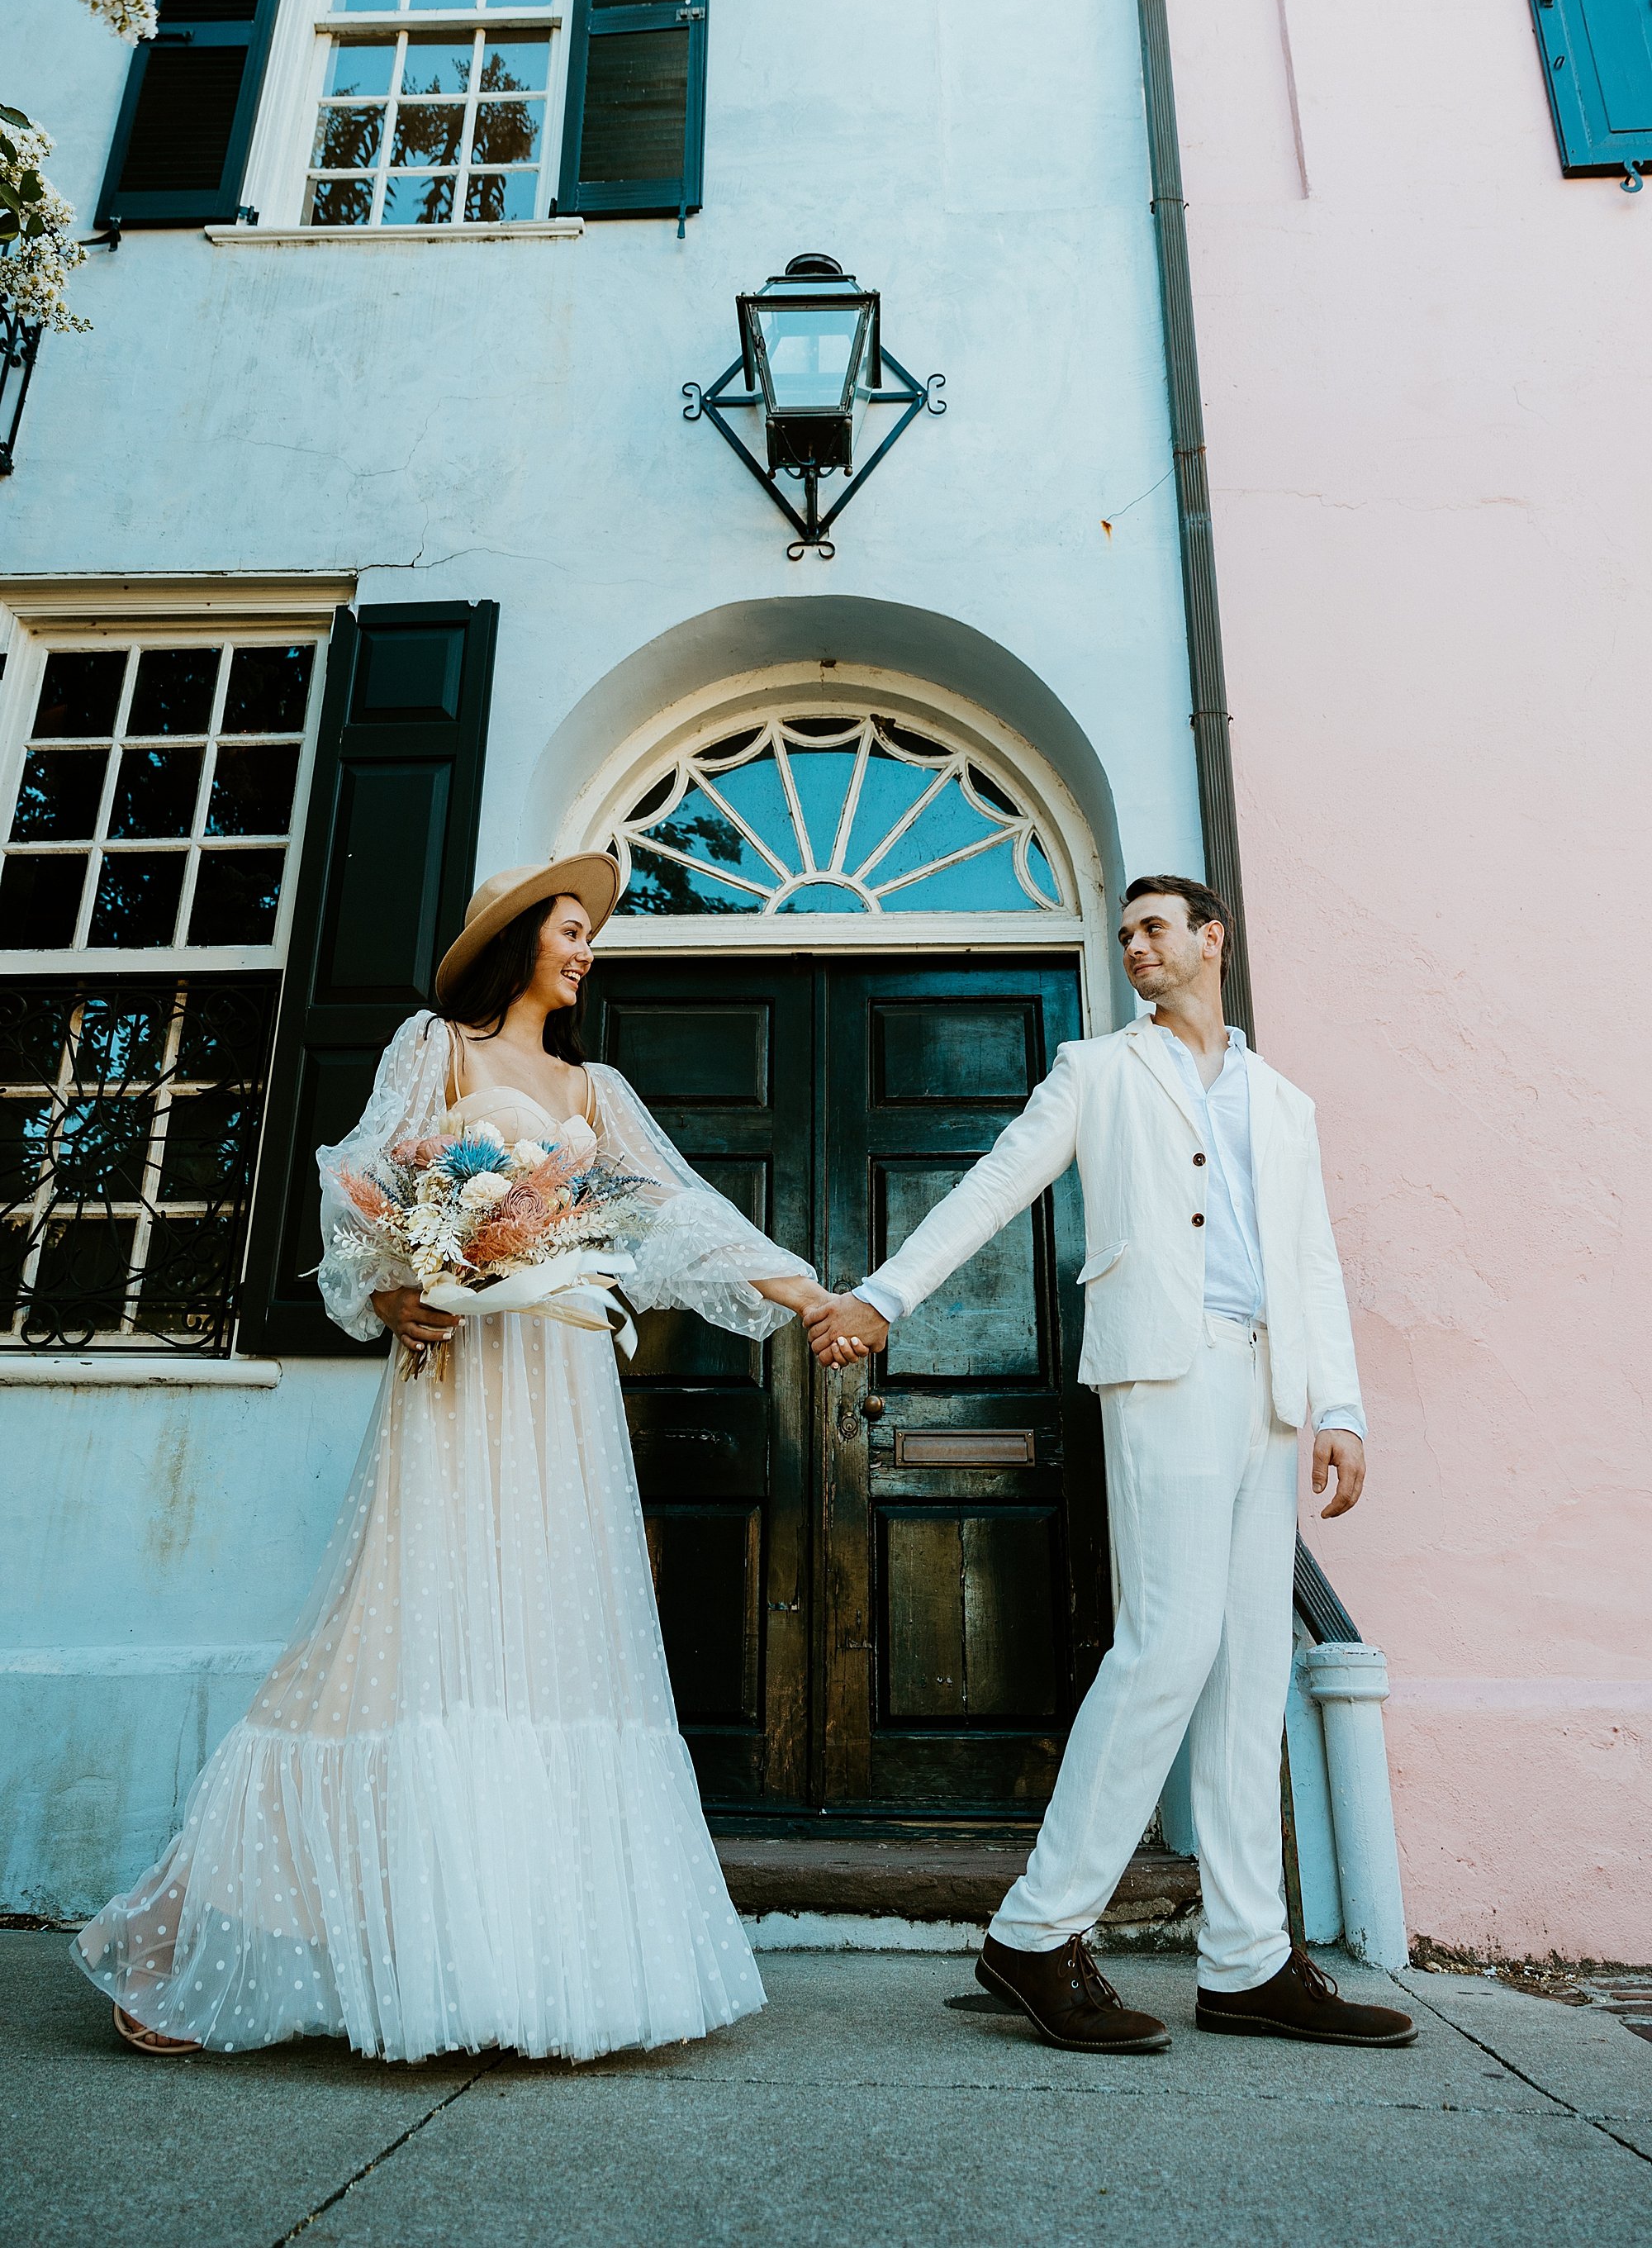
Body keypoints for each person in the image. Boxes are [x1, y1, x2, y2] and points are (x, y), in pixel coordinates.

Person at [78, 855, 825, 2061]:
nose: (587, 951)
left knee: (547, 1643)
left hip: (559, 1386)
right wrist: (392, 1296)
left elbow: (679, 1216)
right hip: (460, 1379)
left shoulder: (596, 1086)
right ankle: (181, 1932)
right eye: (572, 930)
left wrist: (809, 1294)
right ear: (520, 936)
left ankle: (510, 1976)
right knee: (384, 1645)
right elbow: (364, 1181)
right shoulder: (442, 1047)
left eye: (593, 936)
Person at [805, 876, 1415, 2052]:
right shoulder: (1096, 1072)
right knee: (1169, 1645)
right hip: (1164, 1373)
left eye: (1154, 929)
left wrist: (1339, 1405)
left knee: (1248, 1677)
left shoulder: (1283, 1102)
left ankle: (1247, 1961)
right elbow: (992, 1186)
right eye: (1124, 933)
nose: (1135, 946)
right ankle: (1037, 1932)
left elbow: (1314, 1261)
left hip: (1269, 1388)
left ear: (1210, 939)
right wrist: (884, 1297)